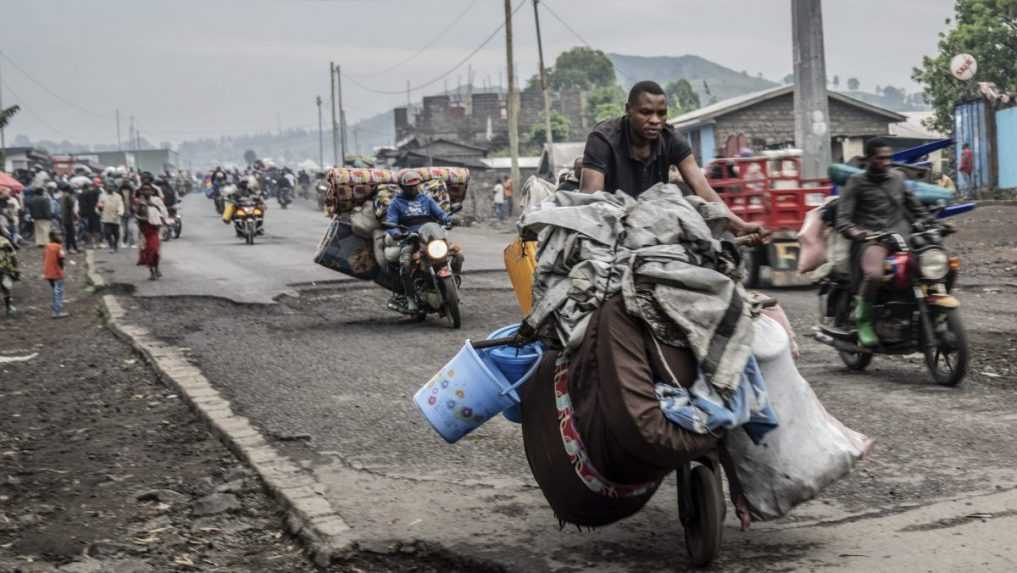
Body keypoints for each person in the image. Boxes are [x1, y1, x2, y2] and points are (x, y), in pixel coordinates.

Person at [580, 80, 766, 238]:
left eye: (661, 113)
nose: (655, 120)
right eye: (645, 112)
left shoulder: (671, 138)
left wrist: (740, 226)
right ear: (628, 110)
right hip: (611, 221)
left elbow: (702, 188)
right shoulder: (603, 139)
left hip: (654, 220)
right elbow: (591, 199)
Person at [835, 137, 935, 347]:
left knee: (936, 264)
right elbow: (843, 219)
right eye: (881, 158)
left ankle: (933, 312)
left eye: (889, 158)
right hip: (873, 240)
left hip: (902, 238)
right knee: (875, 275)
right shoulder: (856, 182)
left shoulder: (898, 178)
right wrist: (856, 232)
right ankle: (863, 319)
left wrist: (933, 223)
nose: (887, 162)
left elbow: (915, 207)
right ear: (868, 158)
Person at [385, 170, 453, 313]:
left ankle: (453, 284)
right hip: (410, 238)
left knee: (456, 255)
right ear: (402, 187)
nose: (414, 188)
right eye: (410, 186)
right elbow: (391, 222)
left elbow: (440, 214)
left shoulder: (426, 199)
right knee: (404, 264)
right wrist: (397, 233)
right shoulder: (396, 203)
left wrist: (448, 219)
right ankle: (410, 299)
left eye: (416, 185)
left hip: (430, 236)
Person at [134, 183, 169, 280]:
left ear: (152, 191)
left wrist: (164, 223)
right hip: (144, 230)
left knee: (154, 251)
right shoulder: (139, 202)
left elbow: (163, 212)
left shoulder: (157, 200)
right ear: (141, 191)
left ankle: (156, 268)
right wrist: (141, 218)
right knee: (147, 252)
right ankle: (152, 272)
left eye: (148, 190)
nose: (146, 192)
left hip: (155, 229)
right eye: (144, 190)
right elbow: (136, 215)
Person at [42, 230, 68, 319]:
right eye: (59, 235)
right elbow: (61, 259)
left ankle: (55, 308)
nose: (61, 237)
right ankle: (57, 312)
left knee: (55, 291)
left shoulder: (47, 246)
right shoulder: (58, 247)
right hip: (56, 272)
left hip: (48, 272)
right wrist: (62, 269)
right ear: (54, 237)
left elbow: (44, 258)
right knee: (59, 292)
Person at [97, 184, 125, 252]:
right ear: (106, 188)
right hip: (106, 216)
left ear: (114, 188)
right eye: (109, 186)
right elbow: (99, 204)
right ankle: (111, 245)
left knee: (116, 233)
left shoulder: (118, 196)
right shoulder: (102, 196)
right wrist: (99, 208)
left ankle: (115, 245)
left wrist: (120, 212)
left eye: (111, 187)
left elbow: (120, 205)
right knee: (107, 233)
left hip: (115, 217)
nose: (110, 188)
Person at [79, 180, 102, 249]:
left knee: (89, 229)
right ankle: (97, 243)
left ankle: (92, 243)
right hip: (96, 213)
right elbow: (99, 203)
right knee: (97, 229)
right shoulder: (97, 192)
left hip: (88, 214)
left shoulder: (83, 194)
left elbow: (82, 204)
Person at [59, 183, 80, 254]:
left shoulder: (62, 196)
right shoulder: (68, 196)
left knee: (69, 233)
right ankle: (71, 248)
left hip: (64, 217)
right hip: (68, 217)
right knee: (71, 233)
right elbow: (71, 205)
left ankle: (73, 248)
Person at [118, 181, 136, 248]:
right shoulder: (119, 193)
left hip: (131, 212)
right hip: (123, 213)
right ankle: (124, 241)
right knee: (125, 229)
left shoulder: (132, 192)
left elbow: (135, 202)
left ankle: (132, 242)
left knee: (130, 228)